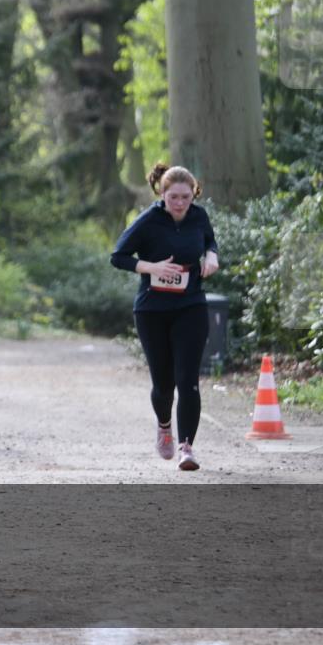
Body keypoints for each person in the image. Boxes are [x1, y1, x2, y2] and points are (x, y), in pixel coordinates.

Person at [110, 163, 219, 471]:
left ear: (194, 194)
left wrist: (212, 254)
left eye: (186, 197)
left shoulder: (199, 216)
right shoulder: (148, 221)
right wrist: (152, 268)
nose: (180, 203)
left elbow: (209, 240)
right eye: (174, 197)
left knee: (188, 380)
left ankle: (187, 447)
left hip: (191, 306)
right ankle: (163, 425)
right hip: (152, 310)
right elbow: (118, 257)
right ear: (161, 192)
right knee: (163, 384)